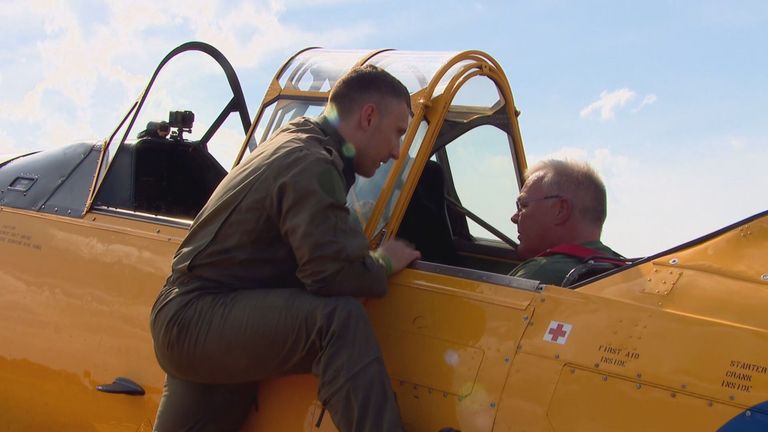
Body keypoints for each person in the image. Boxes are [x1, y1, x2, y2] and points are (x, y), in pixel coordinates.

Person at [150, 65, 421, 432]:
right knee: (337, 322)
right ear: (369, 116)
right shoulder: (311, 162)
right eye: (398, 133)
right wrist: (384, 263)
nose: (396, 152)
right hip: (201, 316)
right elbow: (330, 273)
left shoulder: (294, 140)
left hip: (194, 313)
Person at [508, 159, 624, 286]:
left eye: (523, 205)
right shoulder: (626, 272)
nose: (514, 217)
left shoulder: (539, 273)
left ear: (560, 209)